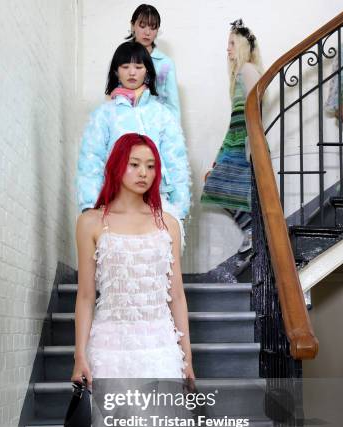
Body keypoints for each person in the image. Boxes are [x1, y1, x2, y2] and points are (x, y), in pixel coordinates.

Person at [41, 134, 232, 427]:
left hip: (156, 346)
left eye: (150, 165)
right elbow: (86, 295)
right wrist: (79, 354)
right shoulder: (90, 222)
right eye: (134, 164)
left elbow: (177, 295)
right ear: (117, 168)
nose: (143, 172)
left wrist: (185, 352)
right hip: (110, 343)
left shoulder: (168, 221)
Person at [77, 41, 190, 240]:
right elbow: (91, 161)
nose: (132, 72)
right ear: (115, 72)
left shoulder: (162, 115)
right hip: (113, 201)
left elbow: (176, 162)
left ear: (147, 71)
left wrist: (179, 209)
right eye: (125, 66)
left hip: (158, 197)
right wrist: (90, 205)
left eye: (138, 67)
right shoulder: (104, 115)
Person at [201, 19, 263, 254]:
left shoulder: (247, 70)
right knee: (215, 182)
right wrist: (222, 151)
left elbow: (252, 113)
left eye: (231, 43)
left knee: (219, 185)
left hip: (244, 144)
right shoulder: (240, 73)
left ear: (242, 46)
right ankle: (250, 229)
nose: (227, 49)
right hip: (236, 143)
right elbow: (236, 119)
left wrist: (249, 148)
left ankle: (251, 229)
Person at [126, 4, 181, 121]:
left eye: (152, 27)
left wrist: (173, 135)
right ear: (132, 26)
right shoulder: (121, 58)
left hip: (156, 128)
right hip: (126, 126)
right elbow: (112, 98)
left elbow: (173, 106)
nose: (147, 32)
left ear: (157, 31)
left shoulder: (166, 63)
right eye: (142, 25)